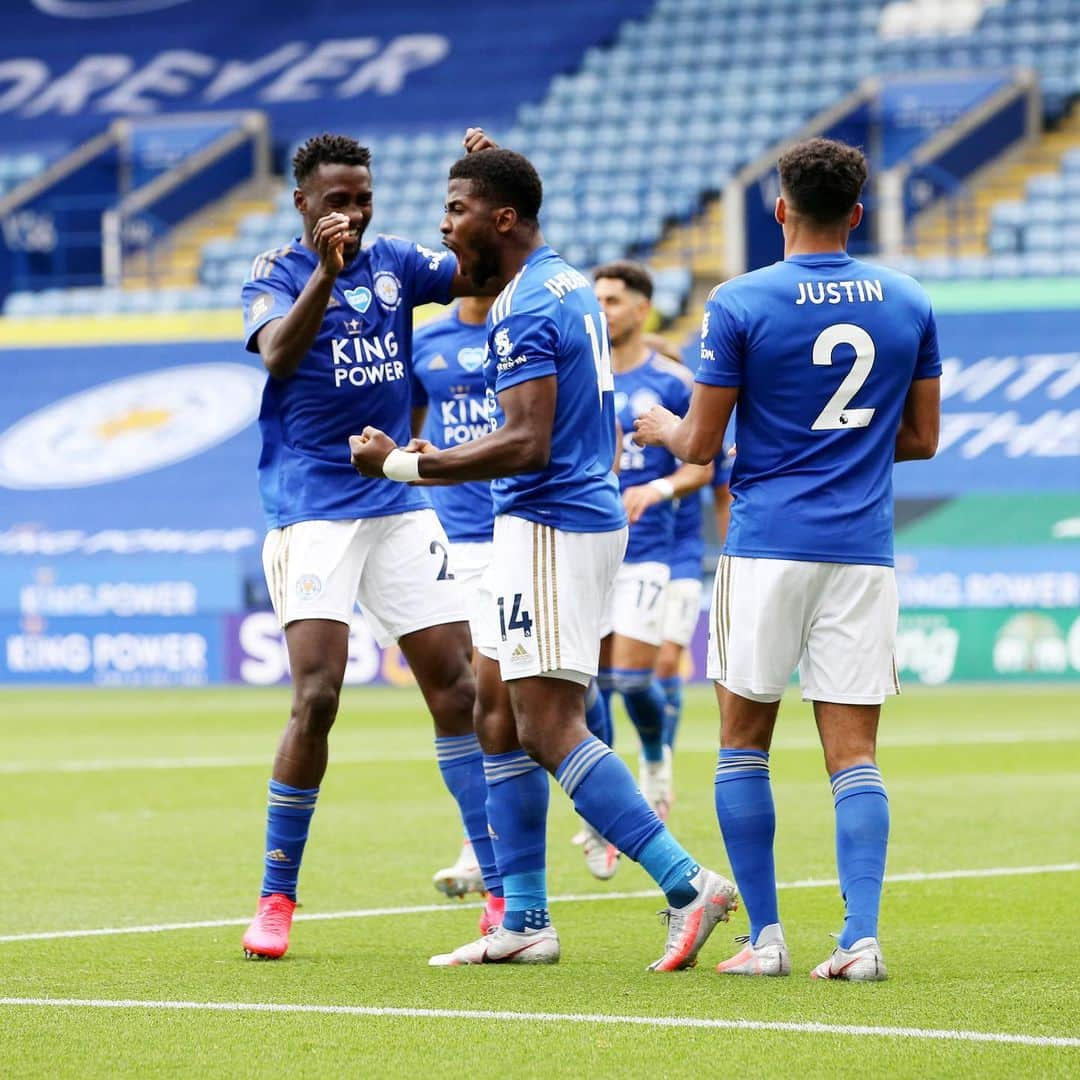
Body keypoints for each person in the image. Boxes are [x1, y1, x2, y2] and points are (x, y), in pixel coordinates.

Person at [351, 145, 738, 970]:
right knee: (495, 713)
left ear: (501, 218)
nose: (443, 226)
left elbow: (526, 443)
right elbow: (531, 429)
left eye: (456, 209)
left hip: (551, 523)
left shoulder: (525, 306)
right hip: (542, 518)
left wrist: (405, 465)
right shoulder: (558, 278)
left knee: (546, 723)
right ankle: (524, 917)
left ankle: (686, 882)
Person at [634, 137, 940, 981]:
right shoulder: (908, 299)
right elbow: (921, 438)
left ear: (778, 209)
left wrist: (667, 432)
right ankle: (863, 941)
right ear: (858, 212)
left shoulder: (738, 301)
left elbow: (698, 441)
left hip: (767, 543)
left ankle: (765, 941)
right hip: (861, 549)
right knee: (855, 755)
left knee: (742, 744)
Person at [238, 131, 501, 960]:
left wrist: (487, 187)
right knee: (316, 696)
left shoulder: (396, 259)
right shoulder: (276, 273)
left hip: (393, 495)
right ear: (303, 205)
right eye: (337, 199)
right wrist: (325, 270)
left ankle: (498, 890)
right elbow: (278, 356)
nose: (353, 211)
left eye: (363, 196)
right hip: (312, 506)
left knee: (456, 690)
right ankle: (277, 897)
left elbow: (485, 274)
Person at [577, 262, 711, 881]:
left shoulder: (674, 382)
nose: (601, 308)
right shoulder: (579, 373)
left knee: (631, 681)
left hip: (653, 549)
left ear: (642, 309)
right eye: (595, 298)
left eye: (612, 298)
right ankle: (606, 810)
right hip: (584, 546)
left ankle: (655, 761)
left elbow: (703, 464)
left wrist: (658, 488)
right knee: (586, 686)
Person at [410, 294, 504, 923]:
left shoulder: (526, 323)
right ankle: (482, 845)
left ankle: (604, 806)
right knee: (479, 694)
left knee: (550, 698)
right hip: (455, 536)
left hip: (525, 527)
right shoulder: (426, 341)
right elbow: (413, 419)